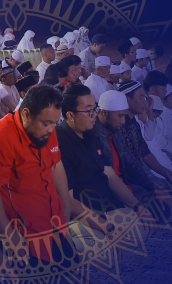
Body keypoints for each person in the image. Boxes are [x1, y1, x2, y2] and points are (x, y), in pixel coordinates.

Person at [0, 85, 74, 263]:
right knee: (39, 273)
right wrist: (9, 235)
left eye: (54, 123)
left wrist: (65, 206)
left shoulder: (45, 130)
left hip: (47, 212)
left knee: (70, 262)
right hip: (14, 222)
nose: (51, 130)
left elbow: (56, 166)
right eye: (46, 123)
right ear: (26, 114)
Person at [56, 84, 141, 214]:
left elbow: (110, 175)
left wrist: (137, 206)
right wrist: (104, 224)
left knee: (152, 214)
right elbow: (69, 201)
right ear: (71, 115)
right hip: (89, 214)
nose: (94, 115)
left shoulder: (91, 135)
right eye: (89, 111)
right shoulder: (60, 143)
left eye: (95, 109)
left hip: (108, 204)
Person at [117, 80, 172, 191]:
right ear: (127, 99)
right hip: (129, 179)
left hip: (141, 172)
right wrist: (152, 184)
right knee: (170, 192)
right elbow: (130, 164)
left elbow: (145, 152)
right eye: (141, 98)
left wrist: (165, 172)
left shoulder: (133, 122)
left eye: (144, 98)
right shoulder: (121, 125)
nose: (144, 102)